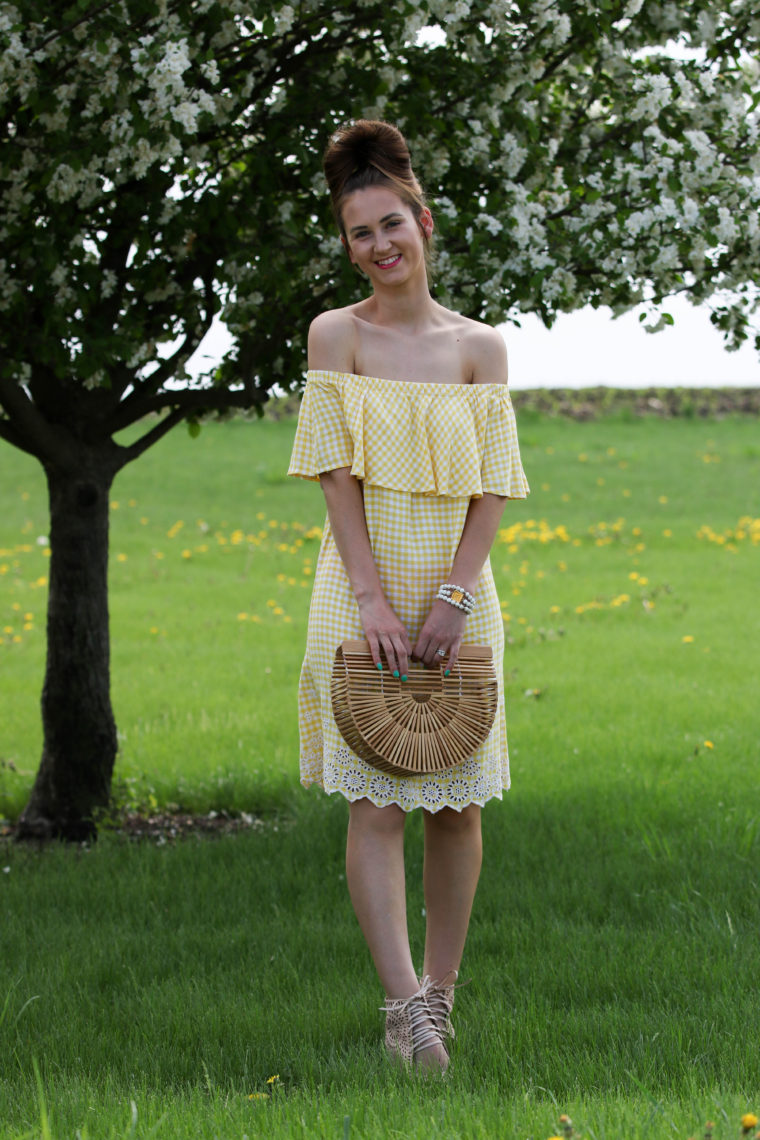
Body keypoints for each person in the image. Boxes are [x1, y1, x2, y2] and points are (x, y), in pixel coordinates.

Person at [288, 119, 529, 1072]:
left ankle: (442, 996)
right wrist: (375, 599)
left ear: (424, 223)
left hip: (458, 599)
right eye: (359, 233)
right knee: (379, 804)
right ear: (347, 246)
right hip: (360, 590)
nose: (380, 245)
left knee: (456, 803)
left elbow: (493, 487)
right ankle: (403, 1017)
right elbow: (335, 477)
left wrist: (453, 598)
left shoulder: (481, 349)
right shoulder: (334, 336)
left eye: (392, 224)